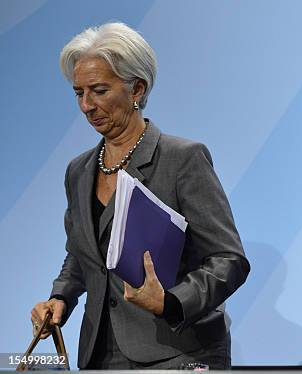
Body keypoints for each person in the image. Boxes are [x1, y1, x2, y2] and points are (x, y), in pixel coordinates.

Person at [29, 22, 249, 370]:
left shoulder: (182, 158)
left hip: (178, 353)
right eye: (79, 93)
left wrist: (170, 302)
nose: (87, 105)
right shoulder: (78, 170)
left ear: (137, 89)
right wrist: (60, 297)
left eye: (99, 90)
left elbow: (228, 259)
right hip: (100, 354)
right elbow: (83, 254)